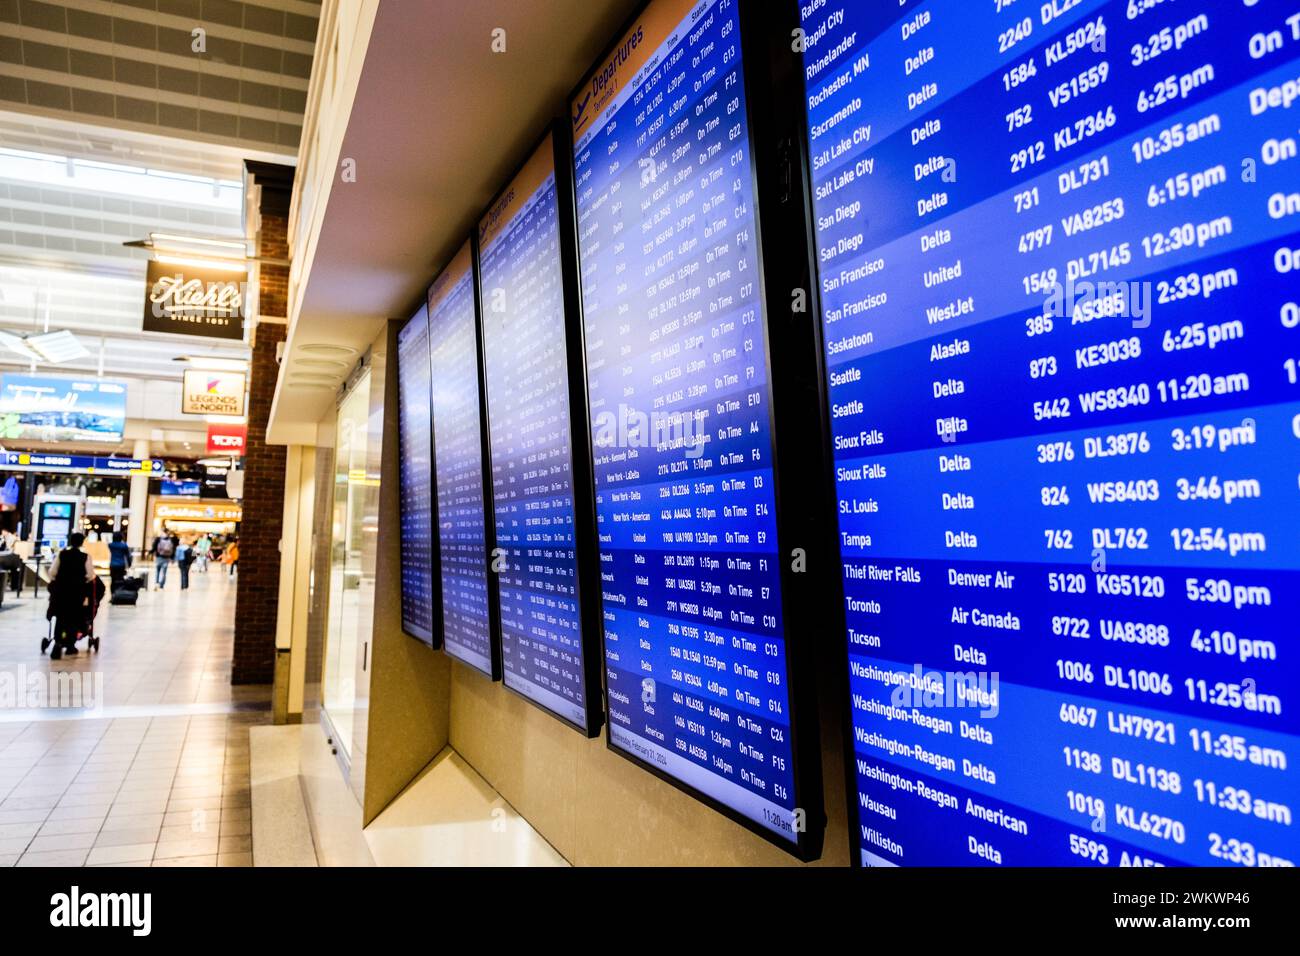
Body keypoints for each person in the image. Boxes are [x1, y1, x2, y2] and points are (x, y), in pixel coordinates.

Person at [47, 532, 98, 660]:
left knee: (61, 617)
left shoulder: (62, 554)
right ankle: (70, 644)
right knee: (74, 617)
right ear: (82, 542)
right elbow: (90, 575)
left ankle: (58, 642)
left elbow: (52, 572)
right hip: (77, 592)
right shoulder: (85, 557)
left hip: (61, 591)